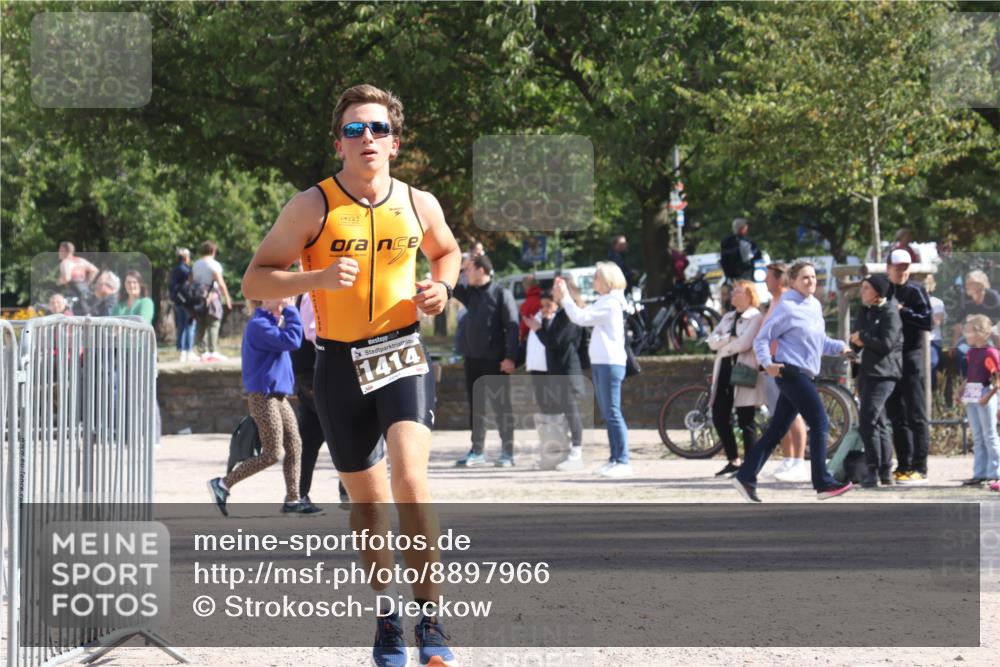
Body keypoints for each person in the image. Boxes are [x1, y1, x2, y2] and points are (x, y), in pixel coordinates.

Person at [239, 84, 462, 667]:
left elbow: (447, 252)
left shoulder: (420, 202)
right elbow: (255, 280)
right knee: (368, 502)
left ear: (395, 142)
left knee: (411, 481)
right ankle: (388, 619)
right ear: (339, 142)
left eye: (379, 129)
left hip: (402, 353)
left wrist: (442, 287)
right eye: (356, 130)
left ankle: (431, 622)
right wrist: (312, 281)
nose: (368, 138)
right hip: (338, 363)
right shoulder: (312, 205)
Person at [732, 261, 854, 502]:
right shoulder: (787, 307)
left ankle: (746, 476)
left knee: (777, 429)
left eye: (813, 277)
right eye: (805, 278)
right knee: (820, 422)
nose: (811, 281)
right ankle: (823, 482)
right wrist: (769, 364)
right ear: (794, 282)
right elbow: (761, 340)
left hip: (804, 373)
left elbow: (819, 342)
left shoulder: (815, 305)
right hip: (790, 373)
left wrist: (841, 348)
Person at [208, 297, 316, 515]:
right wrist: (293, 310)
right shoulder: (259, 325)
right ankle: (222, 484)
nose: (285, 297)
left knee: (295, 443)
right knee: (272, 453)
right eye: (278, 293)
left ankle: (293, 499)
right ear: (263, 299)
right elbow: (293, 340)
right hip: (262, 396)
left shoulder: (272, 322)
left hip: (277, 396)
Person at [554, 261, 632, 478]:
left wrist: (565, 297)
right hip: (602, 363)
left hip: (610, 363)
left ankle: (623, 460)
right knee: (608, 413)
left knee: (613, 413)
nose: (593, 281)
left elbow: (581, 318)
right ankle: (615, 458)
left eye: (596, 277)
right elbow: (584, 315)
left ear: (607, 280)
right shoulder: (605, 301)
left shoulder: (610, 303)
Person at [453, 254, 520, 467]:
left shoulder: (502, 293)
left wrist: (510, 358)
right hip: (473, 359)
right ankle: (477, 451)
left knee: (502, 408)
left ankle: (507, 453)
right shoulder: (470, 293)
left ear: (481, 270)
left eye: (469, 270)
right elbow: (450, 282)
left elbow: (513, 326)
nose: (465, 273)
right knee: (476, 407)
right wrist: (458, 262)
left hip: (496, 361)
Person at [292, 291, 347, 512]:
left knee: (313, 441)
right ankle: (302, 495)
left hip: (314, 376)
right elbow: (312, 334)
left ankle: (301, 495)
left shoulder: (311, 289)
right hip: (317, 377)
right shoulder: (312, 292)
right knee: (342, 437)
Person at [706, 280, 765, 477]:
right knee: (719, 416)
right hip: (723, 369)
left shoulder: (755, 317)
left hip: (743, 370)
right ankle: (733, 460)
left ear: (749, 295)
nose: (732, 295)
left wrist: (726, 345)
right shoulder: (729, 316)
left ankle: (750, 465)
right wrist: (727, 342)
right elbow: (711, 342)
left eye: (737, 292)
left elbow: (745, 344)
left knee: (745, 418)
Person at [884, 249, 933, 485]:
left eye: (905, 267)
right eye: (897, 267)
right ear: (888, 269)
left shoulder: (915, 290)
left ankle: (920, 466)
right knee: (896, 413)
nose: (902, 271)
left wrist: (903, 312)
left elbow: (927, 321)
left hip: (911, 356)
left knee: (916, 412)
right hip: (889, 359)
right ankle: (903, 464)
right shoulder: (883, 289)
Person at [849, 274, 903, 488]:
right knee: (878, 422)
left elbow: (886, 344)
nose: (862, 292)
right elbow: (856, 340)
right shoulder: (865, 311)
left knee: (868, 420)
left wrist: (863, 338)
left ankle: (873, 469)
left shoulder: (890, 312)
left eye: (866, 288)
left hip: (884, 373)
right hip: (866, 372)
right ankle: (884, 470)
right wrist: (853, 346)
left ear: (878, 292)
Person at [526, 286, 587, 471]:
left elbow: (554, 342)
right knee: (558, 415)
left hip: (567, 371)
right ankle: (558, 454)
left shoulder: (569, 315)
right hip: (556, 372)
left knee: (571, 411)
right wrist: (543, 323)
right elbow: (550, 340)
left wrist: (537, 329)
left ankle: (577, 452)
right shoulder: (559, 316)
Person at [761, 263, 810, 483]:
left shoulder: (788, 301)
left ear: (780, 279)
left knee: (794, 414)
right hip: (772, 364)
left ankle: (798, 461)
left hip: (786, 364)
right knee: (779, 415)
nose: (765, 281)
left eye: (768, 277)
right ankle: (788, 459)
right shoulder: (773, 302)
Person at [957, 314, 1000, 487]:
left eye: (968, 331)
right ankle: (980, 473)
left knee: (989, 434)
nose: (965, 334)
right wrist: (961, 390)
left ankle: (995, 472)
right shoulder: (971, 352)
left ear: (980, 333)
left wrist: (987, 397)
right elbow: (970, 375)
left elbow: (997, 378)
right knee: (977, 435)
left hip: (984, 392)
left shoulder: (990, 353)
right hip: (972, 393)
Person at [192, 241, 233, 362]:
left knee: (201, 324)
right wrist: (227, 297)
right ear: (213, 251)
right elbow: (220, 283)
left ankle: (201, 352)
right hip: (212, 297)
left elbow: (192, 280)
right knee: (213, 323)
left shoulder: (196, 264)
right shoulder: (214, 264)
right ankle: (212, 351)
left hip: (198, 297)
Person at [170, 248, 197, 363]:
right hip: (187, 302)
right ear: (186, 257)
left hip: (178, 301)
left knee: (181, 326)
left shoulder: (174, 270)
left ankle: (181, 351)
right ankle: (188, 351)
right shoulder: (186, 269)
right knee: (189, 325)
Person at [926, 274, 946, 390]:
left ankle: (931, 394)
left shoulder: (936, 302)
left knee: (931, 363)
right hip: (911, 340)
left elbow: (934, 324)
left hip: (931, 341)